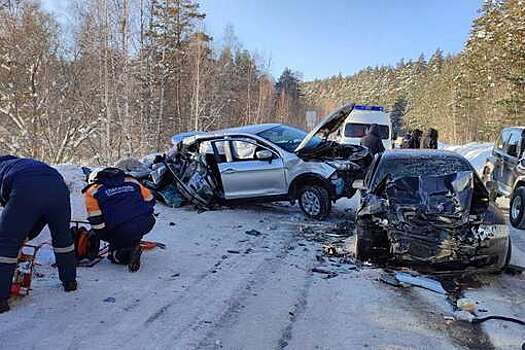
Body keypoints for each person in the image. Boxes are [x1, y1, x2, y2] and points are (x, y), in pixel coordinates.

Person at [0, 155, 77, 313]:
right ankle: (69, 281)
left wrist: (15, 234)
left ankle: (1, 298)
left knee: (6, 243)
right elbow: (38, 213)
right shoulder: (21, 164)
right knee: (62, 238)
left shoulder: (4, 170)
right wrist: (26, 233)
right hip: (58, 188)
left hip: (25, 189)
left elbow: (8, 202)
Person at [83, 168, 155, 272]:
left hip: (122, 228)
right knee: (131, 230)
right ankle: (133, 243)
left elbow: (96, 219)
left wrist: (104, 236)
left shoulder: (93, 190)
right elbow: (150, 199)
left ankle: (122, 255)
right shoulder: (132, 181)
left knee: (115, 249)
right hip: (147, 222)